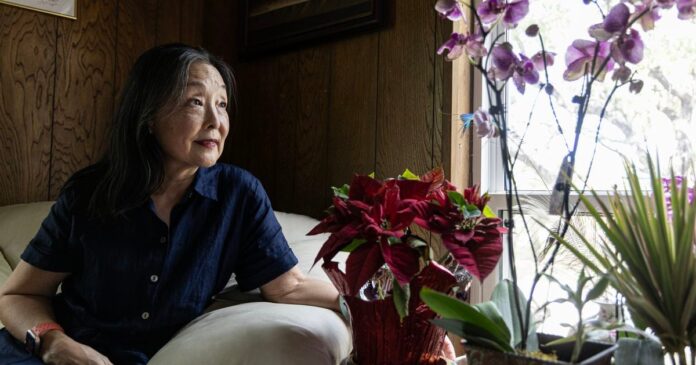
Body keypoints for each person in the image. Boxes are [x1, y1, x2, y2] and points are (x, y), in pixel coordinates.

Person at [0, 43, 341, 365]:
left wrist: (371, 298)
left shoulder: (238, 195)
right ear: (149, 115)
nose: (215, 121)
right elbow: (18, 296)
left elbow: (289, 286)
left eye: (221, 104)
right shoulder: (90, 193)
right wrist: (54, 342)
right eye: (195, 101)